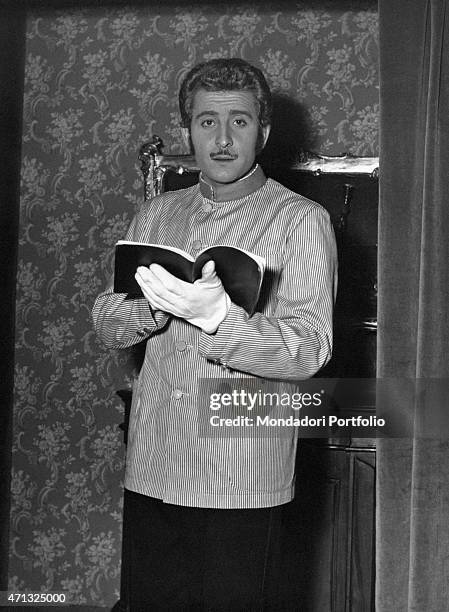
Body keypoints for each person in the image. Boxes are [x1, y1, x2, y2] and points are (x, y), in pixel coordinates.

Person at [92, 58, 337, 611]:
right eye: (207, 122)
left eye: (240, 122)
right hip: (154, 464)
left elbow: (309, 347)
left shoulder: (302, 219)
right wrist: (153, 311)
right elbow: (108, 323)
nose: (223, 139)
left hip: (240, 475)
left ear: (264, 131)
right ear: (188, 130)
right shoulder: (157, 215)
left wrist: (219, 319)